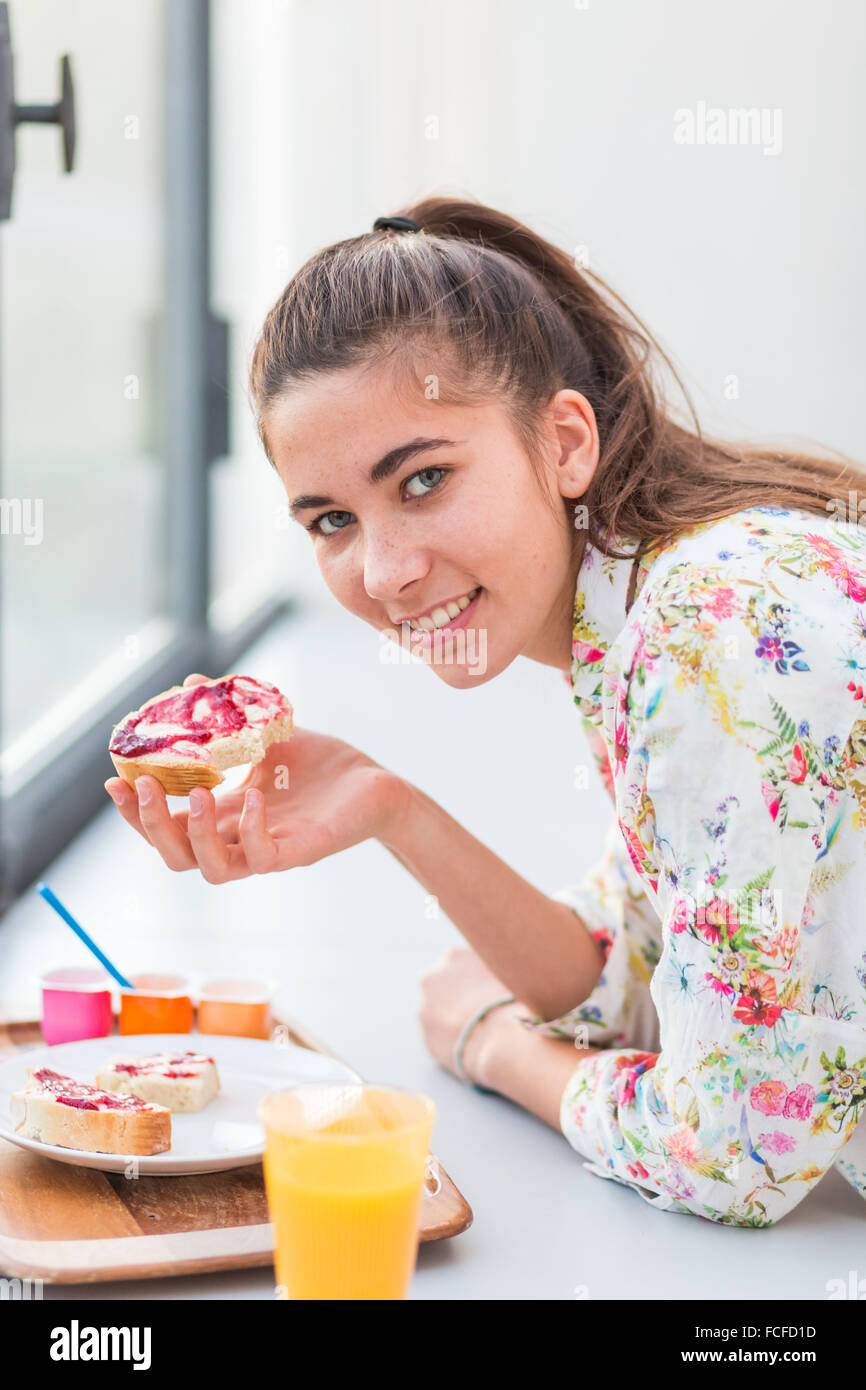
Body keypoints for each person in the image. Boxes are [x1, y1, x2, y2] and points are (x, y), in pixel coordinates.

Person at [105, 197, 866, 1227]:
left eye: (422, 479)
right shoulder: (661, 603)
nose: (384, 572)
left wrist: (496, 1049)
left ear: (562, 442)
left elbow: (733, 1149)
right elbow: (630, 977)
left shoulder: (711, 631)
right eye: (331, 519)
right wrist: (389, 810)